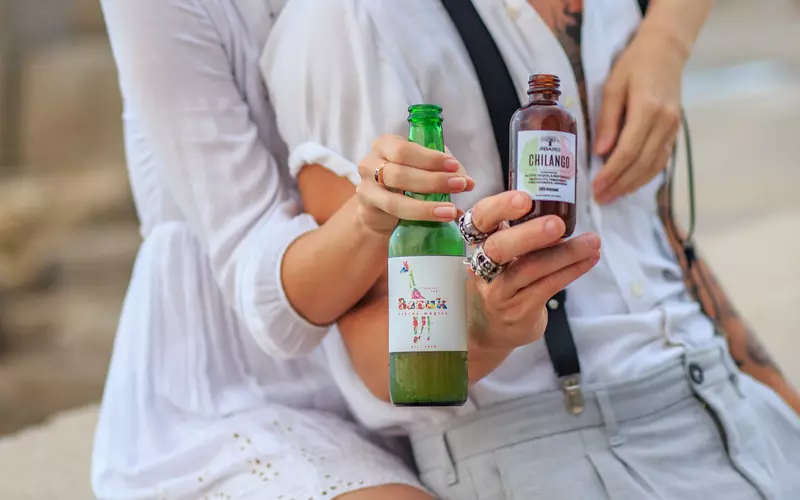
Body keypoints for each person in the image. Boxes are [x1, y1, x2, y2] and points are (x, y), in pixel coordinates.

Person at [262, 0, 800, 498]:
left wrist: (780, 405)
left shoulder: (624, 12)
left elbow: (659, 237)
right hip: (558, 446)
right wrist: (482, 322)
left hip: (735, 408)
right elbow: (372, 348)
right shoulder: (353, 22)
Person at [93, 0, 442, 498]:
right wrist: (377, 211)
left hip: (396, 350)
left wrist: (595, 59)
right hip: (230, 381)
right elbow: (252, 256)